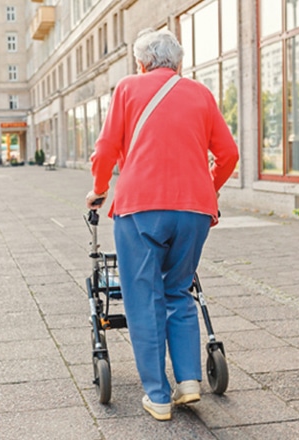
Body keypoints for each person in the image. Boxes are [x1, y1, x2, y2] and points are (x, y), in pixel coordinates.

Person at [85, 28, 239, 421]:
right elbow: (228, 153)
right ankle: (188, 381)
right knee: (179, 291)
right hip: (194, 211)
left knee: (143, 300)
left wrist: (98, 190)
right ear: (179, 63)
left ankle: (157, 395)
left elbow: (105, 149)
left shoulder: (128, 88)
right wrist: (210, 190)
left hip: (140, 208)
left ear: (142, 62)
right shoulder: (201, 94)